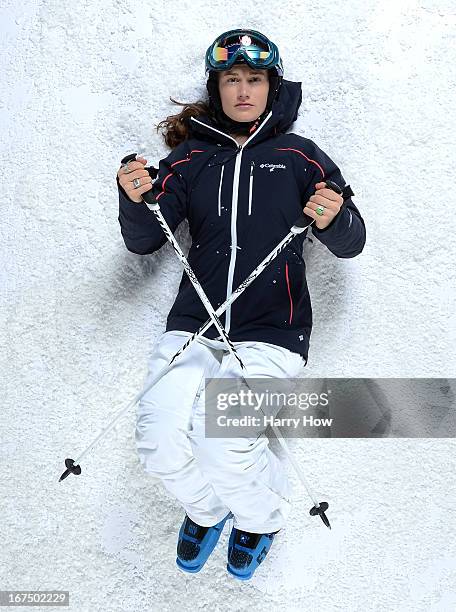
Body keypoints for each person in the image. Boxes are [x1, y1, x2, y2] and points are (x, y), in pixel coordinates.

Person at [116, 29, 366, 580]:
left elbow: (352, 241)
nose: (244, 90)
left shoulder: (301, 155)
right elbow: (144, 239)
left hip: (273, 330)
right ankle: (206, 509)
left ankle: (258, 517)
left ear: (271, 87)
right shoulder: (190, 158)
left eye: (255, 79)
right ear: (217, 87)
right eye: (233, 79)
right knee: (157, 438)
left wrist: (332, 215)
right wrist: (132, 195)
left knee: (219, 437)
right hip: (194, 324)